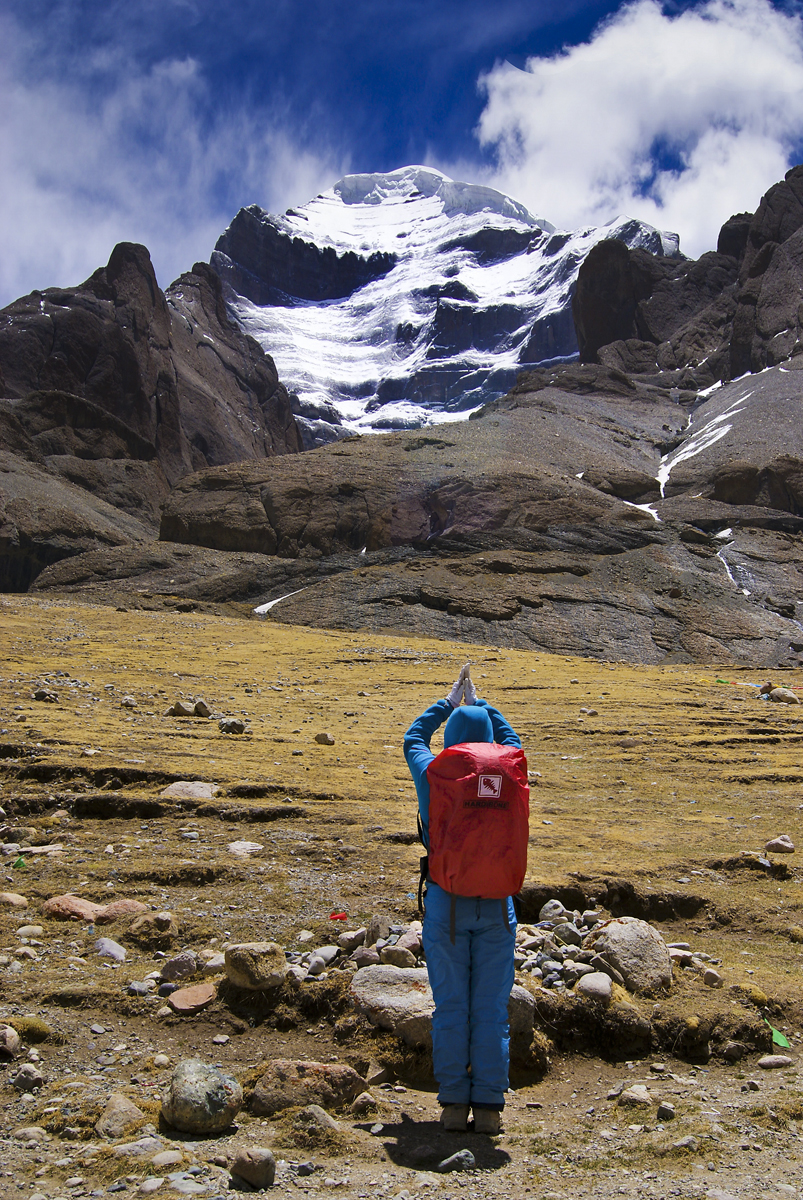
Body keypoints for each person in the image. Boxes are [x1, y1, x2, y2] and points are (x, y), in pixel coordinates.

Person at [403, 664, 522, 1134]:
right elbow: (511, 740)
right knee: (491, 1009)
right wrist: (484, 703)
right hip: (497, 905)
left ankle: (453, 1106)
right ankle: (490, 1108)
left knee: (451, 1006)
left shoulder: (432, 771)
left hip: (446, 904)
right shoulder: (510, 767)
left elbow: (414, 735)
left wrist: (449, 703)